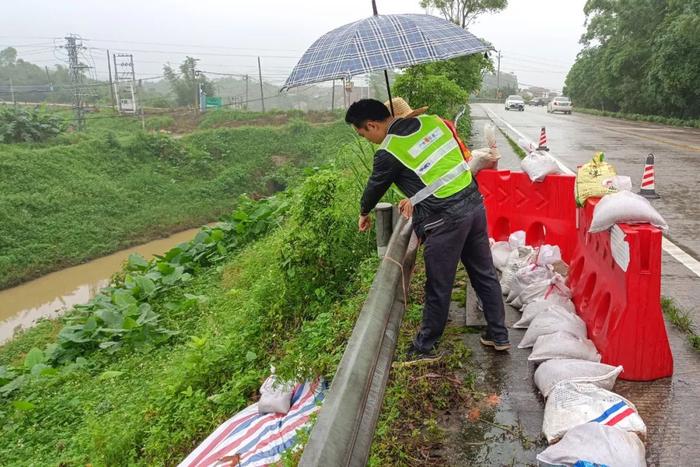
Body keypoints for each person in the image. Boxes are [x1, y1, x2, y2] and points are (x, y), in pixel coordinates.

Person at [345, 98, 510, 360]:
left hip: (444, 220)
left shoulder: (389, 152)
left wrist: (364, 212)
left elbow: (375, 187)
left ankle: (425, 346)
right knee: (484, 273)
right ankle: (499, 335)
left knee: (439, 285)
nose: (367, 140)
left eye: (363, 135)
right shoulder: (434, 122)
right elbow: (447, 163)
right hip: (474, 205)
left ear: (372, 125)